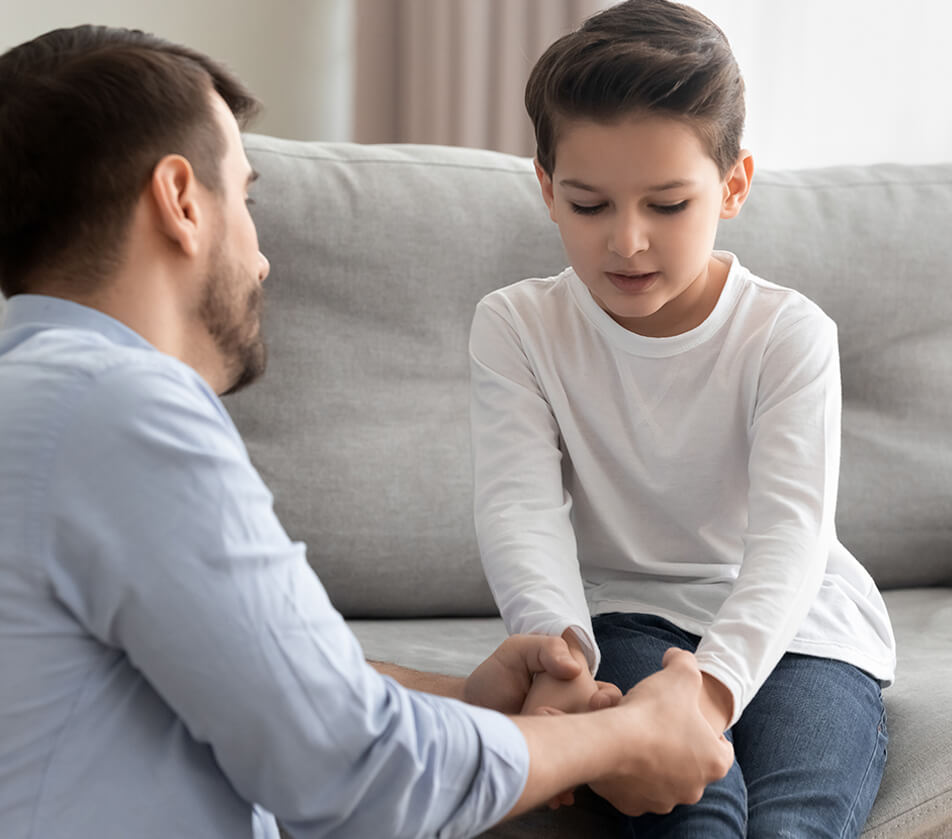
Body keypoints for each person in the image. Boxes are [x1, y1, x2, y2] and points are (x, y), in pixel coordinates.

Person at [0, 24, 734, 839]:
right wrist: (622, 736)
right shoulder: (120, 408)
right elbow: (358, 771)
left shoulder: (44, 401)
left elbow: (257, 680)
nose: (264, 258)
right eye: (244, 197)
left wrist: (467, 696)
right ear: (180, 201)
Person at [469, 1, 897, 836]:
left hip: (804, 629)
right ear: (547, 190)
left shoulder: (790, 334)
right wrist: (561, 654)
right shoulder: (516, 325)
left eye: (667, 205)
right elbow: (519, 510)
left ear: (733, 186)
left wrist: (708, 686)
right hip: (630, 618)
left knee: (795, 823)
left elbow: (791, 536)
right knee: (691, 820)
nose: (627, 242)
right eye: (589, 206)